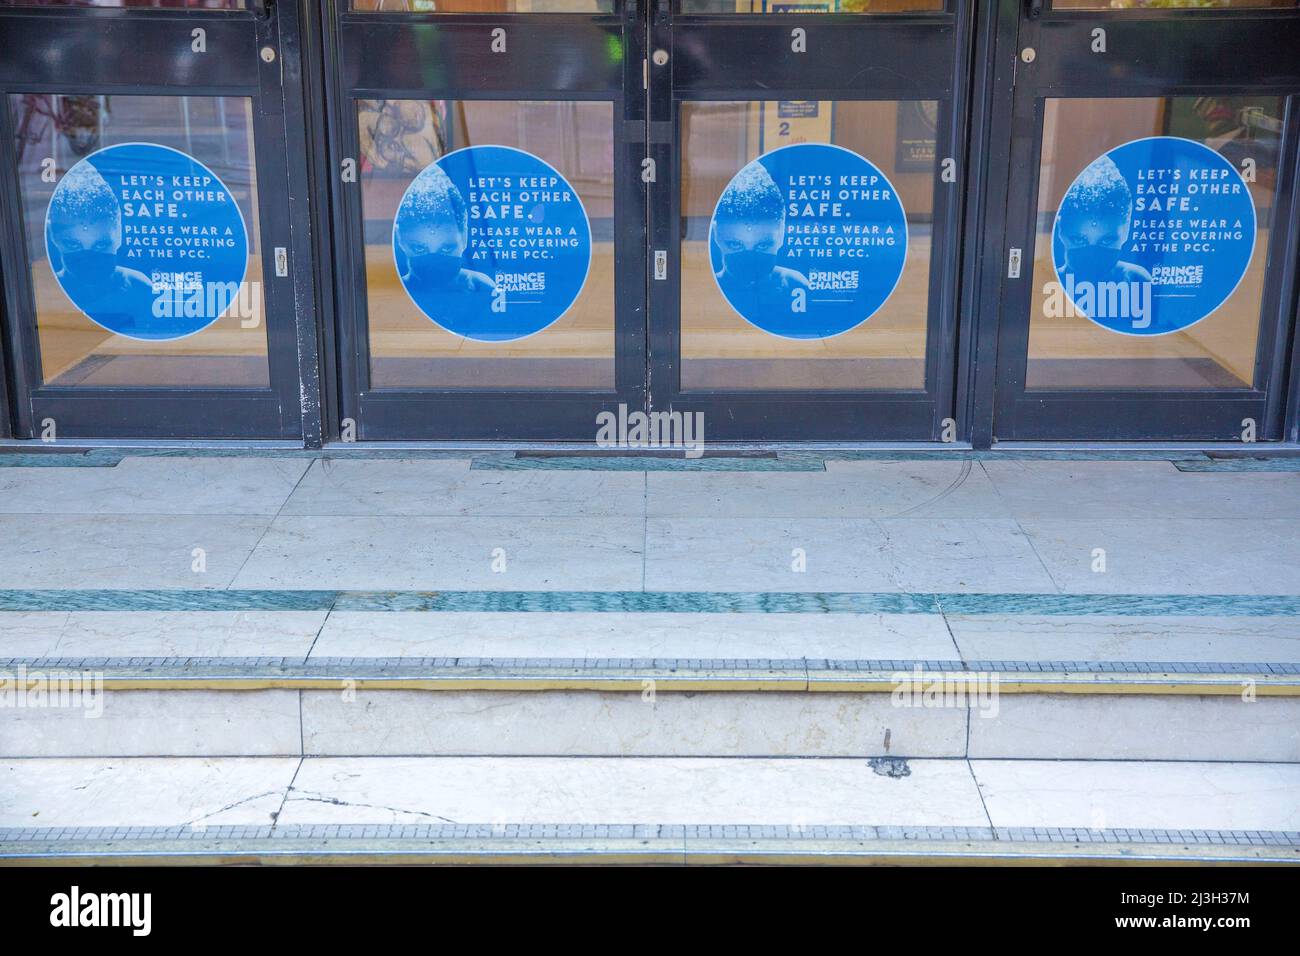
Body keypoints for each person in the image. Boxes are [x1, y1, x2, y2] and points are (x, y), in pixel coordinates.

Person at [46, 162, 154, 331]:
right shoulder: (46, 296)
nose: (89, 259)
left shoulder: (140, 289)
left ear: (119, 233)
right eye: (73, 244)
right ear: (53, 235)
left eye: (101, 244)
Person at [394, 162, 495, 331]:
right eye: (419, 249)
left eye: (447, 249)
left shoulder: (483, 289)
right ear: (400, 239)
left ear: (464, 236)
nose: (434, 261)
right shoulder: (398, 298)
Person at [712, 160, 809, 320]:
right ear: (716, 234)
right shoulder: (709, 291)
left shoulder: (796, 286)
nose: (749, 260)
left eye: (763, 245)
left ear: (781, 234)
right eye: (735, 245)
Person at [1056, 155, 1153, 289]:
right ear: (1060, 229)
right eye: (1078, 240)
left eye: (1107, 240)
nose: (1092, 256)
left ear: (1126, 230)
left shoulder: (1138, 281)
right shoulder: (1049, 280)